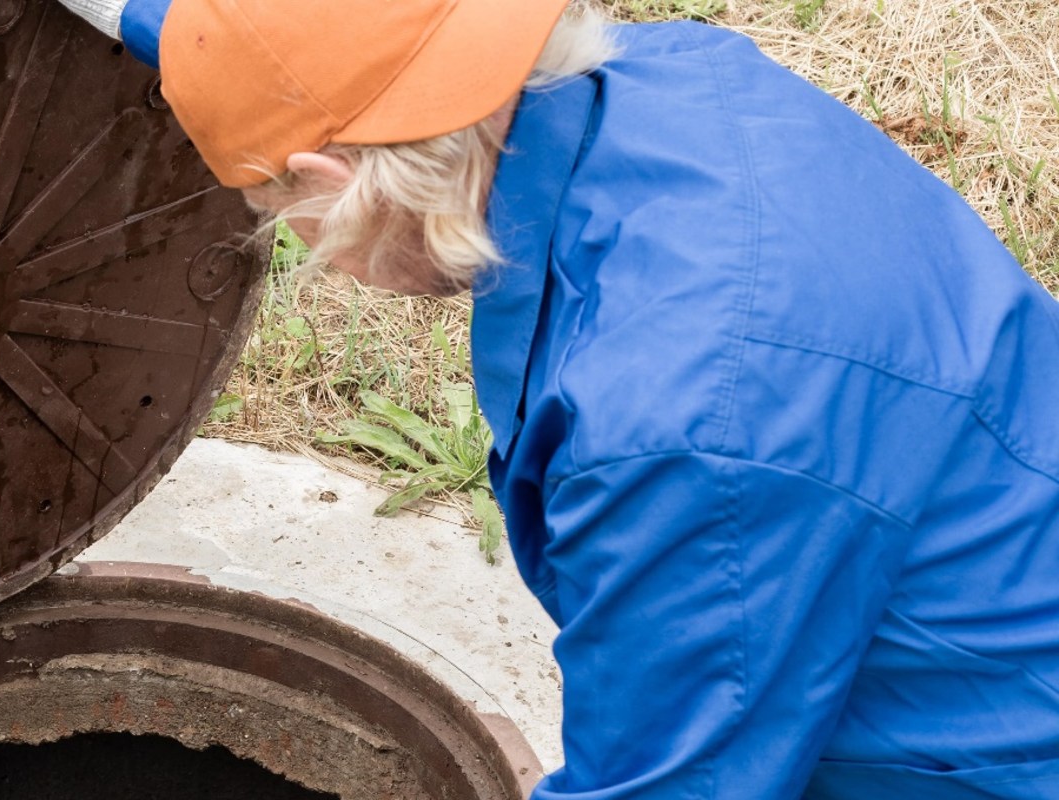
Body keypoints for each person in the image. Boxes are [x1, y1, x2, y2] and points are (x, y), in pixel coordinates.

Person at [56, 0, 1059, 797]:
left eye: (277, 210)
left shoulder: (675, 428)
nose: (301, 241)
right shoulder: (678, 80)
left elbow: (670, 783)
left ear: (330, 177)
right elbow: (325, 43)